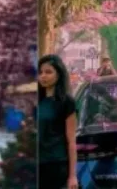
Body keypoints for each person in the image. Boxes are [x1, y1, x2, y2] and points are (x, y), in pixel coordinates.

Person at [37, 54, 79, 189]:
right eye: (40, 72)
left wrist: (72, 176)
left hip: (56, 165)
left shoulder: (66, 102)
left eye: (48, 72)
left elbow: (71, 141)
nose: (43, 76)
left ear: (59, 75)